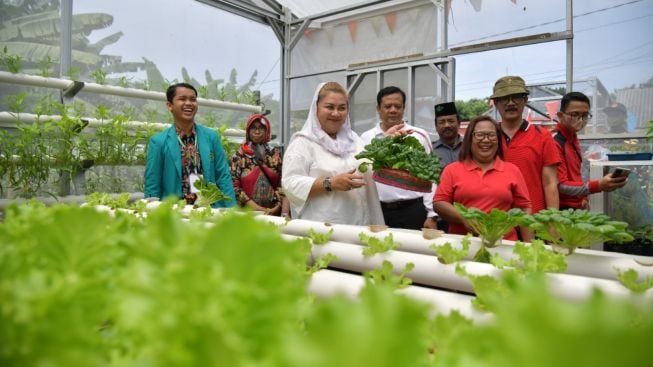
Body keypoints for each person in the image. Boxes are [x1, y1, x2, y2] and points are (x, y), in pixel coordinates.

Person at [282, 82, 384, 225]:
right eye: (329, 107)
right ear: (316, 108)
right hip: (324, 225)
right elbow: (290, 183)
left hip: (360, 223)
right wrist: (330, 183)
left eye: (342, 108)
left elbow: (371, 168)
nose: (336, 113)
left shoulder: (354, 140)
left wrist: (388, 151)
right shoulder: (303, 143)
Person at [434, 115, 533, 241]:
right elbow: (439, 203)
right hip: (463, 243)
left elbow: (525, 207)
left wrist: (529, 244)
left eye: (491, 135)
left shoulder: (512, 170)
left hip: (503, 244)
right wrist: (464, 218)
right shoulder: (452, 170)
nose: (486, 140)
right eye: (479, 135)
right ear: (470, 139)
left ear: (498, 140)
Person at [144, 82, 236, 208]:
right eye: (182, 99)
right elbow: (152, 183)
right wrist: (153, 214)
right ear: (169, 105)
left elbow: (223, 176)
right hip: (176, 214)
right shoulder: (159, 142)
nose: (189, 103)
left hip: (208, 211)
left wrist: (231, 210)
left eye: (193, 99)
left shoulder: (211, 137)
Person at [360, 86, 439, 230]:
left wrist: (432, 214)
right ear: (378, 109)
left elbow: (430, 177)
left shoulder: (418, 135)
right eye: (387, 106)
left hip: (413, 210)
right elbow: (363, 174)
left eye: (398, 106)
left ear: (404, 108)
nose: (393, 110)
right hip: (378, 211)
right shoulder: (365, 138)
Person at [491, 75, 560, 213]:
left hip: (533, 219)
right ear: (496, 103)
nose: (510, 103)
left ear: (525, 100)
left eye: (516, 97)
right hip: (496, 219)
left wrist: (553, 222)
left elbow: (550, 183)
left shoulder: (542, 136)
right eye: (504, 98)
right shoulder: (486, 137)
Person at [554, 92, 627, 210]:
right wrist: (599, 185)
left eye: (585, 115)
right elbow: (560, 185)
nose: (581, 120)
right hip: (560, 209)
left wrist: (583, 197)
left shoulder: (573, 140)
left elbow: (576, 175)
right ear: (560, 115)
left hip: (575, 207)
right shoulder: (555, 143)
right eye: (575, 114)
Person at [230, 113, 290, 217]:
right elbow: (235, 187)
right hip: (248, 214)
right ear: (248, 131)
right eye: (253, 128)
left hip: (274, 213)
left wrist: (279, 208)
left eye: (261, 128)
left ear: (267, 131)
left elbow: (284, 183)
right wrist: (259, 209)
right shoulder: (239, 155)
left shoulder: (276, 155)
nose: (257, 131)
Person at [432, 101, 463, 168]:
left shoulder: (471, 146)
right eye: (442, 122)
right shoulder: (430, 150)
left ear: (459, 123)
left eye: (451, 121)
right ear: (436, 127)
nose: (447, 125)